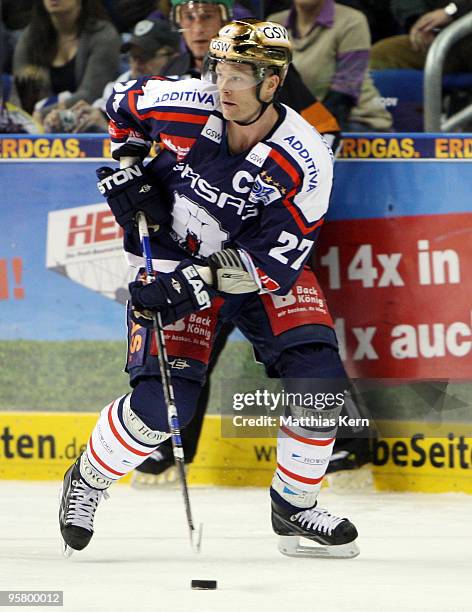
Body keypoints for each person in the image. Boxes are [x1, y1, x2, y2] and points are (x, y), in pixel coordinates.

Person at [59, 19, 359, 558]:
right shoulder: (184, 100)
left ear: (273, 83)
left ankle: (294, 504)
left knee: (318, 378)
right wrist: (131, 170)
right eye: (219, 69)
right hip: (171, 252)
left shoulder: (307, 159)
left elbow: (277, 262)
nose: (224, 85)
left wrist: (195, 284)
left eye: (240, 74)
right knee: (162, 410)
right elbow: (120, 105)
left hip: (254, 270)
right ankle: (86, 478)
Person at [134, 0, 370, 486]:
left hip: (264, 237)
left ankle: (346, 446)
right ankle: (170, 445)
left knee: (302, 343)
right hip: (201, 232)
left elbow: (323, 129)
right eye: (187, 17)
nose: (197, 27)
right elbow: (154, 136)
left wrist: (264, 189)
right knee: (196, 331)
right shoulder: (182, 72)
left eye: (207, 16)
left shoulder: (267, 72)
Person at [268, 0, 392, 131]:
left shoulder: (352, 20)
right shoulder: (274, 24)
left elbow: (345, 91)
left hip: (354, 119)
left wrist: (309, 128)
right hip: (296, 120)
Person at [44, 18, 180, 133]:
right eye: (133, 56)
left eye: (146, 56)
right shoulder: (119, 85)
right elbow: (99, 113)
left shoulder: (185, 88)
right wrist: (69, 119)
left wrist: (109, 128)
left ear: (173, 57)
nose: (137, 62)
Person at [13, 0, 120, 121]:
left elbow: (91, 94)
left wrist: (42, 114)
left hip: (87, 123)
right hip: (37, 126)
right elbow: (19, 93)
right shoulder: (30, 36)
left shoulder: (103, 35)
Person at [371, 1, 472, 72]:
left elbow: (450, 10)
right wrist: (423, 26)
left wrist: (452, 11)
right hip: (441, 39)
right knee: (380, 54)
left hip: (465, 38)